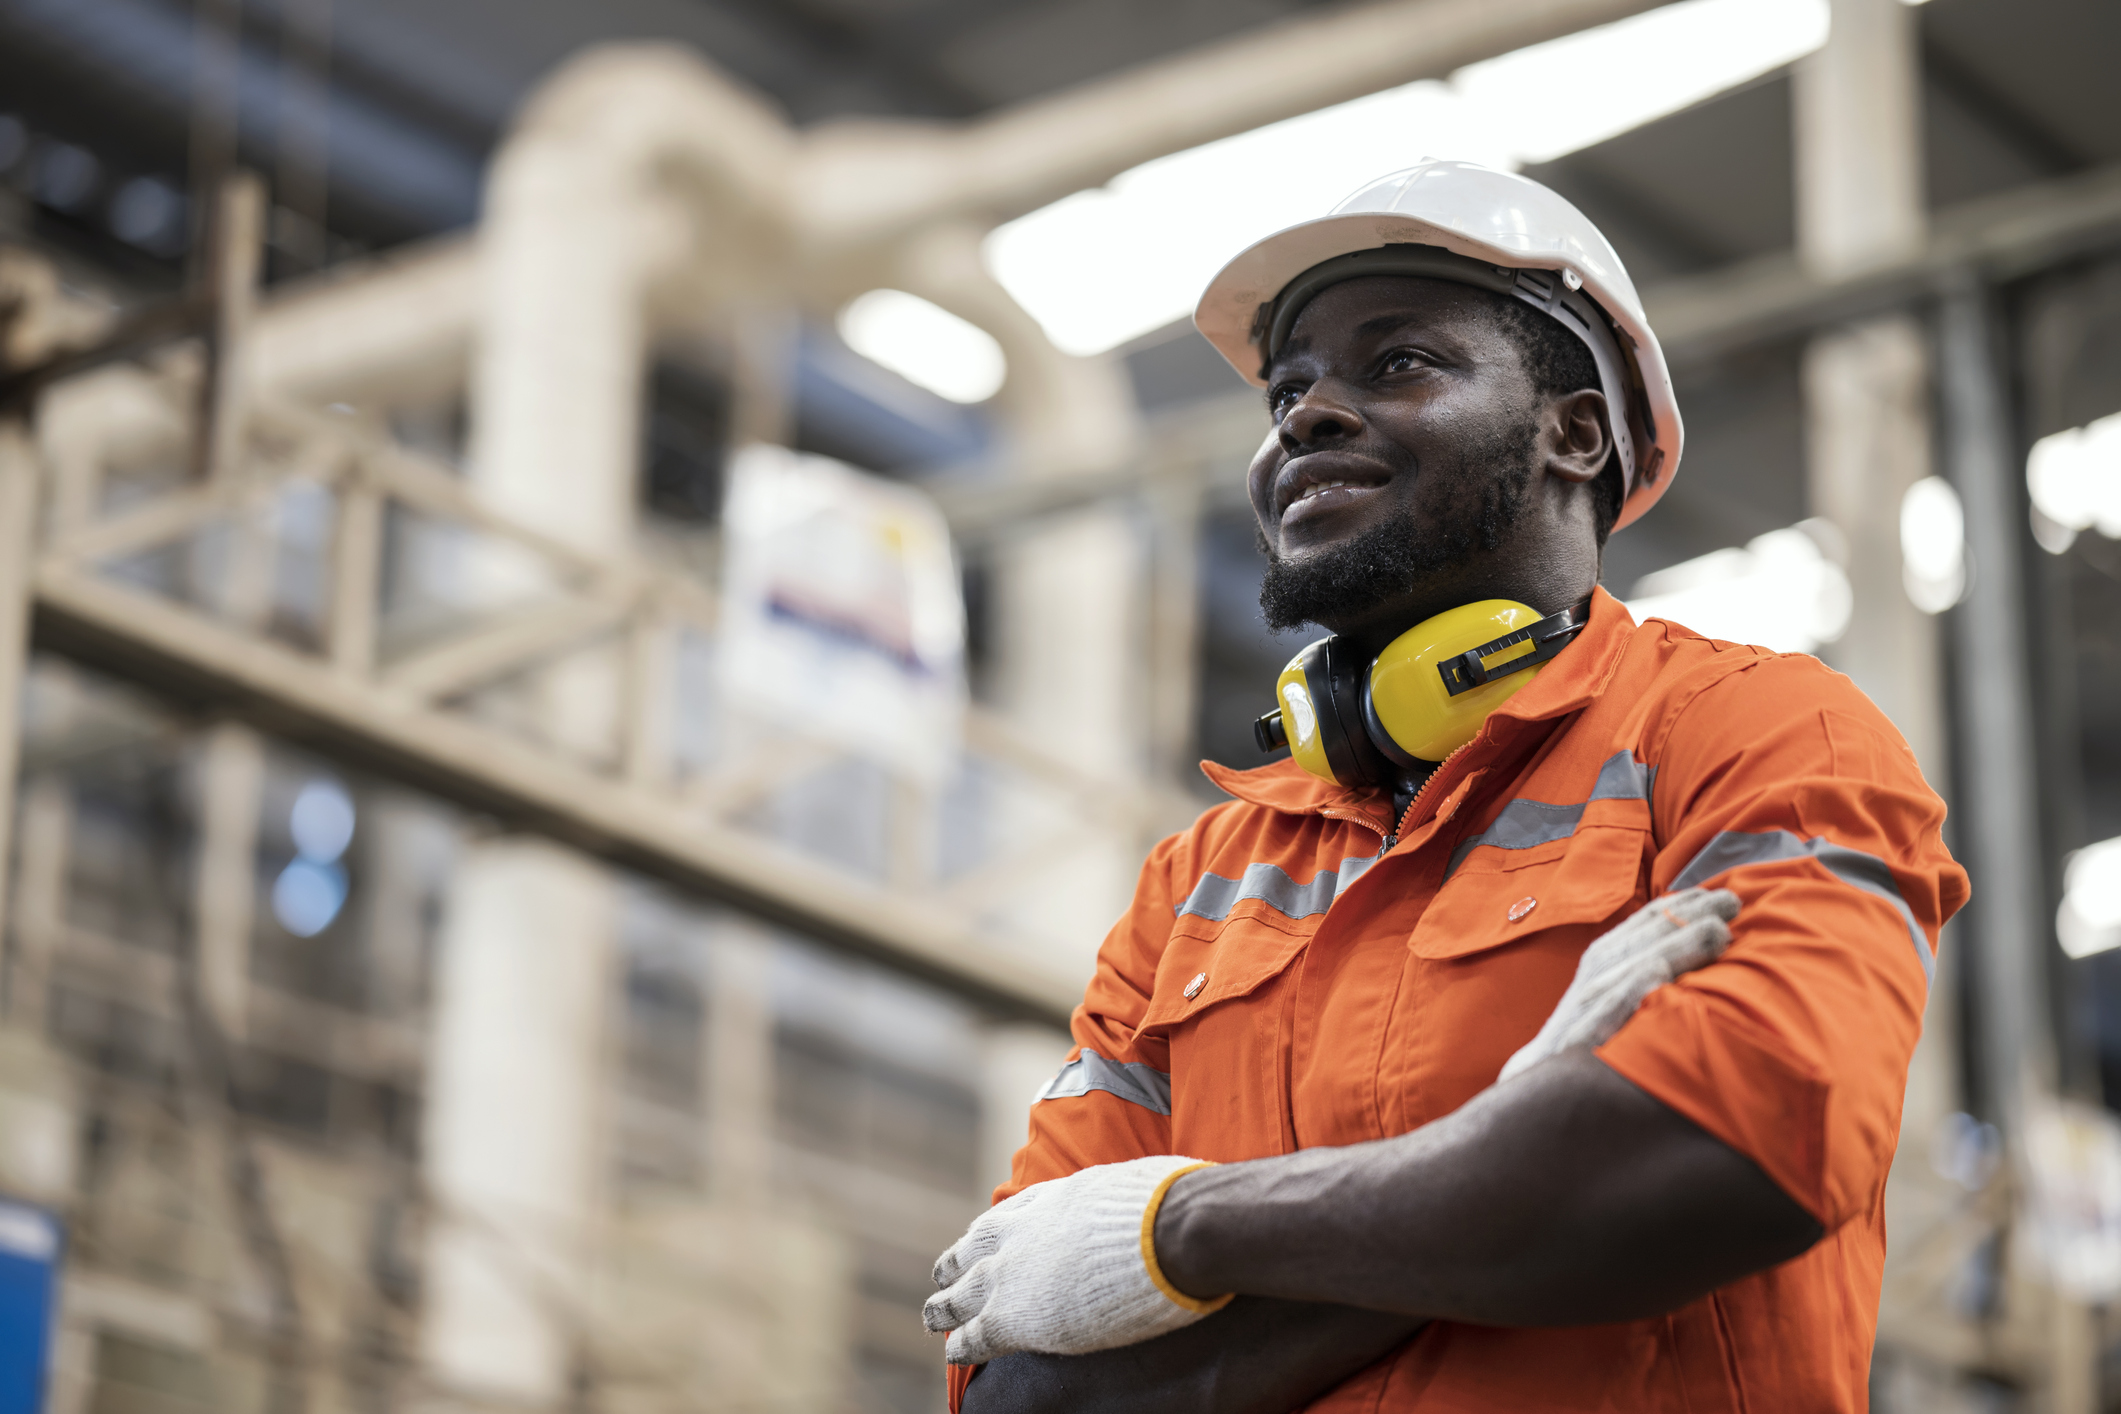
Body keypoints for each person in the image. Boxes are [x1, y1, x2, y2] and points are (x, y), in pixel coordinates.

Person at [925, 161, 1969, 1412]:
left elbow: (1727, 1151)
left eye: (1399, 362)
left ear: (1574, 432)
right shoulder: (1200, 878)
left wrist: (1176, 1227)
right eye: (1289, 388)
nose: (1305, 417)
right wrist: (1508, 1163)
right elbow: (1015, 1388)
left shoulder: (1757, 733)